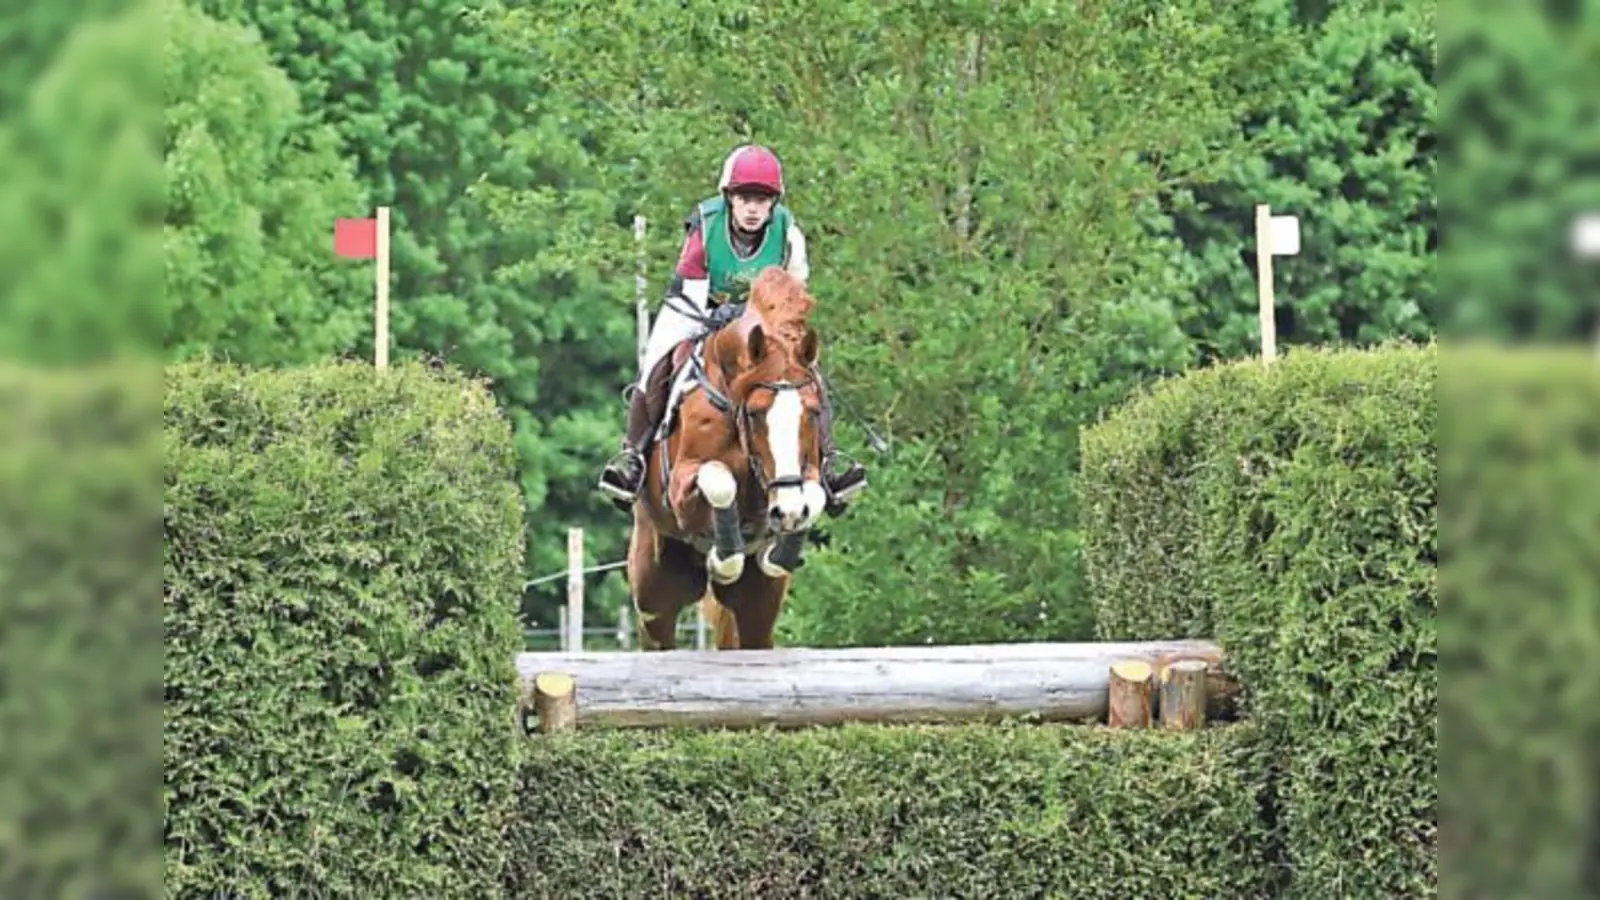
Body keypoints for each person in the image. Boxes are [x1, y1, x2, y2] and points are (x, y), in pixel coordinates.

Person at [597, 143, 868, 515]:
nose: (753, 209)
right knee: (656, 364)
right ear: (729, 198)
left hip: (765, 320)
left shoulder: (788, 231)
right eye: (745, 199)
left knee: (807, 375)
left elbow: (794, 294)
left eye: (762, 200)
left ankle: (829, 462)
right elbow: (692, 288)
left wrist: (770, 324)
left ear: (773, 203)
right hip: (698, 306)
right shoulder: (707, 225)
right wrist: (720, 315)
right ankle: (633, 458)